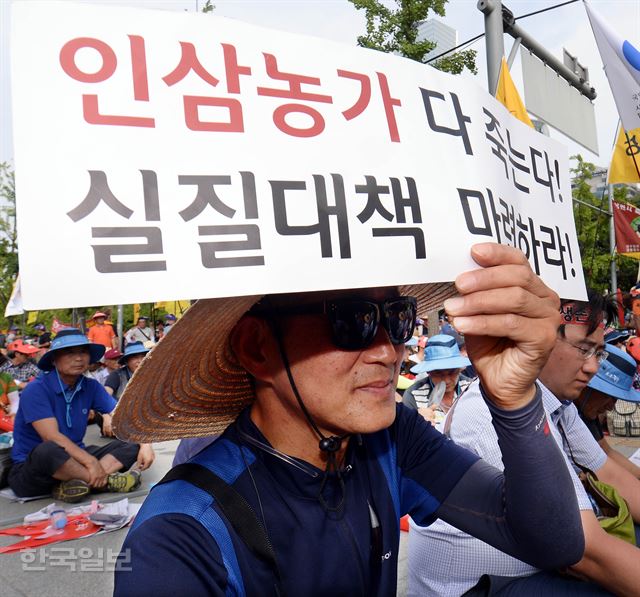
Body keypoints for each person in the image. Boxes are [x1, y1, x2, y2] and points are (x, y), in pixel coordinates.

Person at [113, 244, 584, 596]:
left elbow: (554, 544)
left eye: (396, 318)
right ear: (257, 347)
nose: (387, 351)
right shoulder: (180, 536)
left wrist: (516, 402)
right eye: (351, 319)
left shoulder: (389, 439)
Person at [407, 291, 640, 596]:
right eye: (583, 349)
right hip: (475, 589)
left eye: (599, 352)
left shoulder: (559, 403)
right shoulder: (488, 409)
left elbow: (610, 472)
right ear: (537, 338)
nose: (593, 367)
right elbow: (583, 550)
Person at [8, 329, 154, 503]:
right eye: (69, 353)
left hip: (76, 460)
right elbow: (51, 437)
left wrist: (146, 444)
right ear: (54, 359)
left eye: (83, 352)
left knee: (132, 443)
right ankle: (106, 482)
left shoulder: (90, 386)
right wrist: (91, 463)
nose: (78, 358)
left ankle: (79, 483)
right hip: (34, 469)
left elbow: (124, 416)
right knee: (47, 450)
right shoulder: (36, 389)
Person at [575, 344, 640, 479]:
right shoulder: (563, 412)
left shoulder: (586, 413)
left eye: (616, 398)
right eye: (608, 396)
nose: (611, 407)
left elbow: (605, 451)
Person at [402, 334, 472, 430]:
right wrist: (417, 423)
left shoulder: (470, 388)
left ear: (460, 369)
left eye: (452, 372)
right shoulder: (413, 395)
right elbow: (405, 433)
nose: (446, 380)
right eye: (438, 374)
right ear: (428, 371)